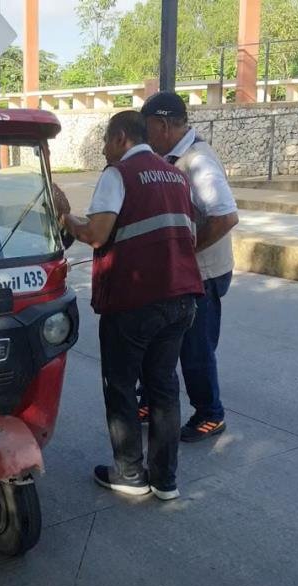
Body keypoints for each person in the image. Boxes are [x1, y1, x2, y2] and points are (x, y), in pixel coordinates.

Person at [54, 111, 202, 500]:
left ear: (120, 137)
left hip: (135, 302)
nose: (104, 150)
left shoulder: (119, 174)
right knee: (164, 388)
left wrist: (64, 216)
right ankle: (165, 480)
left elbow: (97, 234)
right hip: (182, 298)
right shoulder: (176, 176)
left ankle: (130, 474)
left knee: (121, 387)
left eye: (105, 141)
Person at [141, 92, 239, 443]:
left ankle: (210, 414)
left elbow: (225, 216)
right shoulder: (168, 156)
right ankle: (152, 399)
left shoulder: (198, 160)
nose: (145, 136)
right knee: (159, 338)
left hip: (203, 273)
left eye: (147, 128)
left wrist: (188, 252)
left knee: (194, 348)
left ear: (163, 125)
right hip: (180, 273)